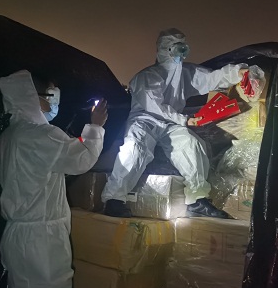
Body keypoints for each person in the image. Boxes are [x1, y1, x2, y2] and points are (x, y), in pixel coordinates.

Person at [0, 70, 108, 288]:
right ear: (31, 97)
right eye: (49, 95)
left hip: (16, 237)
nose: (53, 102)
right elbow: (80, 159)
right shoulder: (40, 135)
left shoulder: (7, 137)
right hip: (42, 241)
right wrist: (95, 126)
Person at [101, 28, 248, 218]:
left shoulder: (186, 73)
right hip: (145, 120)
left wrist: (239, 73)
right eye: (177, 48)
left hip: (171, 123)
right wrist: (184, 120)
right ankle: (114, 199)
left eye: (183, 48)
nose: (182, 53)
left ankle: (197, 200)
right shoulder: (146, 76)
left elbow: (213, 77)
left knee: (192, 144)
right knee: (135, 148)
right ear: (166, 49)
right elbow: (154, 105)